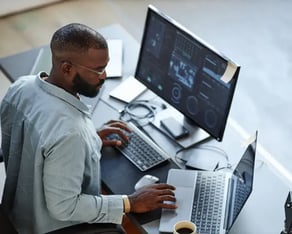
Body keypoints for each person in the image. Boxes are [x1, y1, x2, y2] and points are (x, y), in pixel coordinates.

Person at [0, 23, 177, 234]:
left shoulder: (21, 87)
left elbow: (28, 143)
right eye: (98, 70)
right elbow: (64, 207)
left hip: (17, 210)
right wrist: (129, 202)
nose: (104, 76)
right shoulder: (70, 132)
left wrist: (90, 141)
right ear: (67, 68)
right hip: (48, 227)